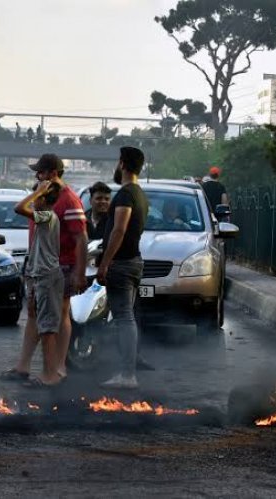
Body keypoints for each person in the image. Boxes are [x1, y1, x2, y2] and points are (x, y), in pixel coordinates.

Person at [0, 153, 87, 383]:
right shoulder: (45, 201)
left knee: (58, 316)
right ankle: (24, 366)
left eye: (41, 172)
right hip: (38, 266)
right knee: (34, 314)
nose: (37, 175)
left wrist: (79, 272)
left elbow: (81, 238)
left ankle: (57, 368)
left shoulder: (67, 199)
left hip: (59, 265)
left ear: (52, 174)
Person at [97, 146, 149, 389]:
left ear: (122, 164)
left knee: (124, 318)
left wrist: (105, 263)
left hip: (122, 263)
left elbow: (119, 229)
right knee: (126, 317)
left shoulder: (127, 195)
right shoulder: (139, 193)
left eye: (118, 162)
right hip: (133, 261)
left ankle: (128, 375)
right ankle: (127, 372)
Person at [14, 181, 65, 388]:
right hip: (39, 276)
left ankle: (50, 375)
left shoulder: (48, 216)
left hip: (47, 276)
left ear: (43, 198)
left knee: (47, 329)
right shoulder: (46, 218)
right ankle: (47, 373)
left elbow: (18, 208)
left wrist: (38, 191)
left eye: (37, 197)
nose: (34, 201)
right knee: (43, 325)